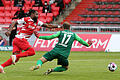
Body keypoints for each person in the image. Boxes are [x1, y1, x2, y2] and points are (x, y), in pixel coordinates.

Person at [0, 9, 60, 73]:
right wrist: (9, 30)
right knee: (32, 52)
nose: (37, 15)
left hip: (17, 40)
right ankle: (15, 56)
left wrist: (59, 26)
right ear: (32, 14)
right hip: (20, 39)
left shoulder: (37, 22)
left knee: (16, 59)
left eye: (38, 14)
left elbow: (48, 26)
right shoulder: (26, 19)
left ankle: (1, 67)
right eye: (36, 14)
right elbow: (14, 22)